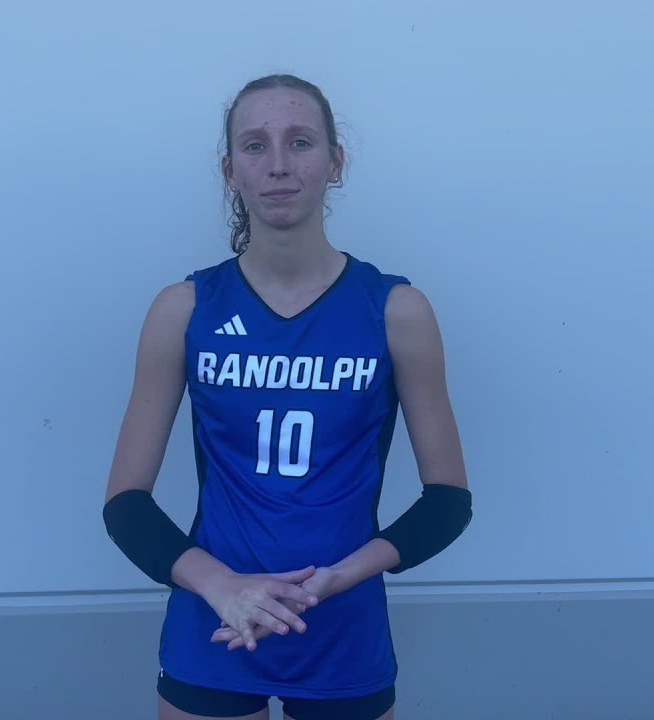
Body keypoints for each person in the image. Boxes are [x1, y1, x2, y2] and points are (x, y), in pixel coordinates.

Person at [102, 74, 473, 720]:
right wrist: (223, 587)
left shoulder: (395, 311)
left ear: (335, 161)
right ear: (230, 170)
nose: (278, 164)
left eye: (300, 142)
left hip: (342, 627)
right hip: (214, 623)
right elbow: (125, 505)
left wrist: (337, 579)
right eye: (255, 145)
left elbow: (447, 502)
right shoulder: (184, 310)